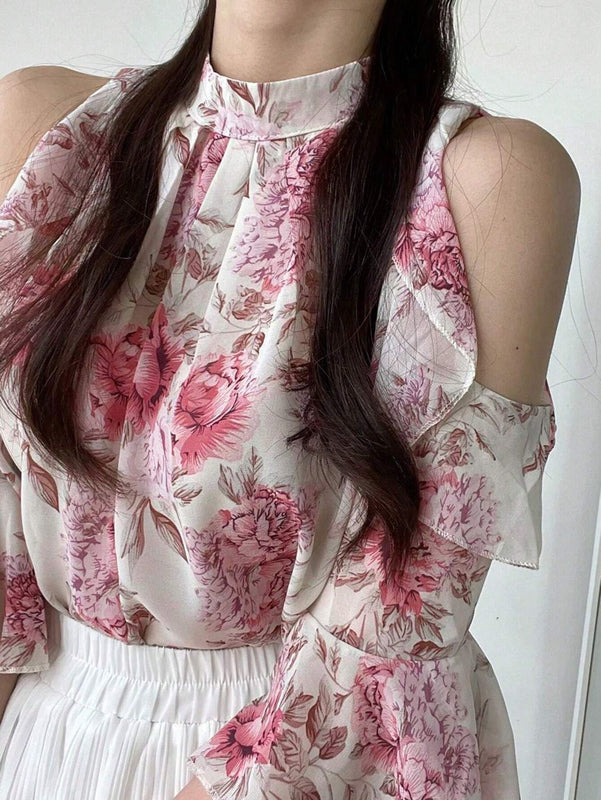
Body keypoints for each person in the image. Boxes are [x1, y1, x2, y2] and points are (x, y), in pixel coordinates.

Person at [0, 0, 580, 798]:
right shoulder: (52, 129)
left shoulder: (482, 180)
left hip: (293, 759)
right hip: (46, 738)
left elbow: (393, 625)